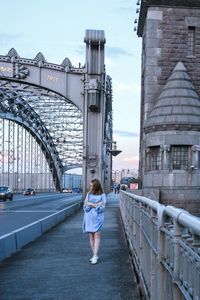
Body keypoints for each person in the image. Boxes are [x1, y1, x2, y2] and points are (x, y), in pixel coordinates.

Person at [82, 178, 106, 264]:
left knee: (97, 235)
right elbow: (85, 206)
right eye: (90, 185)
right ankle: (94, 254)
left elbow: (102, 207)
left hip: (98, 217)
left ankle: (95, 255)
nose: (90, 187)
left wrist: (90, 204)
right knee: (91, 236)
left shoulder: (102, 195)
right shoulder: (88, 194)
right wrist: (95, 204)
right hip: (88, 217)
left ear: (96, 186)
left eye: (92, 185)